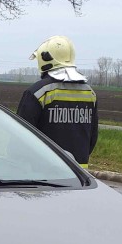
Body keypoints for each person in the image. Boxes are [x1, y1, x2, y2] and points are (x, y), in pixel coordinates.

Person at [16, 35, 99, 168]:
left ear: (44, 58)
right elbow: (92, 137)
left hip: (44, 174)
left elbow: (20, 136)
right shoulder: (89, 94)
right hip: (79, 177)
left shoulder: (38, 92)